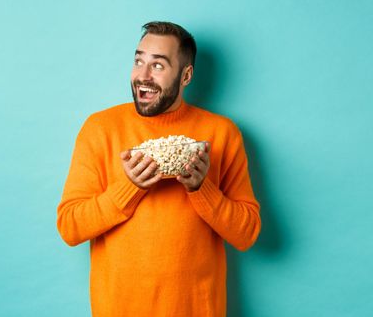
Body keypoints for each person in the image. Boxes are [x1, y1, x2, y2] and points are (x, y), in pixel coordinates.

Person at [57, 21, 261, 317]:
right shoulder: (99, 129)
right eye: (138, 60)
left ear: (186, 76)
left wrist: (200, 188)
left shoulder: (221, 134)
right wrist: (130, 187)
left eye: (158, 66)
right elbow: (70, 227)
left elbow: (248, 233)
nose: (143, 75)